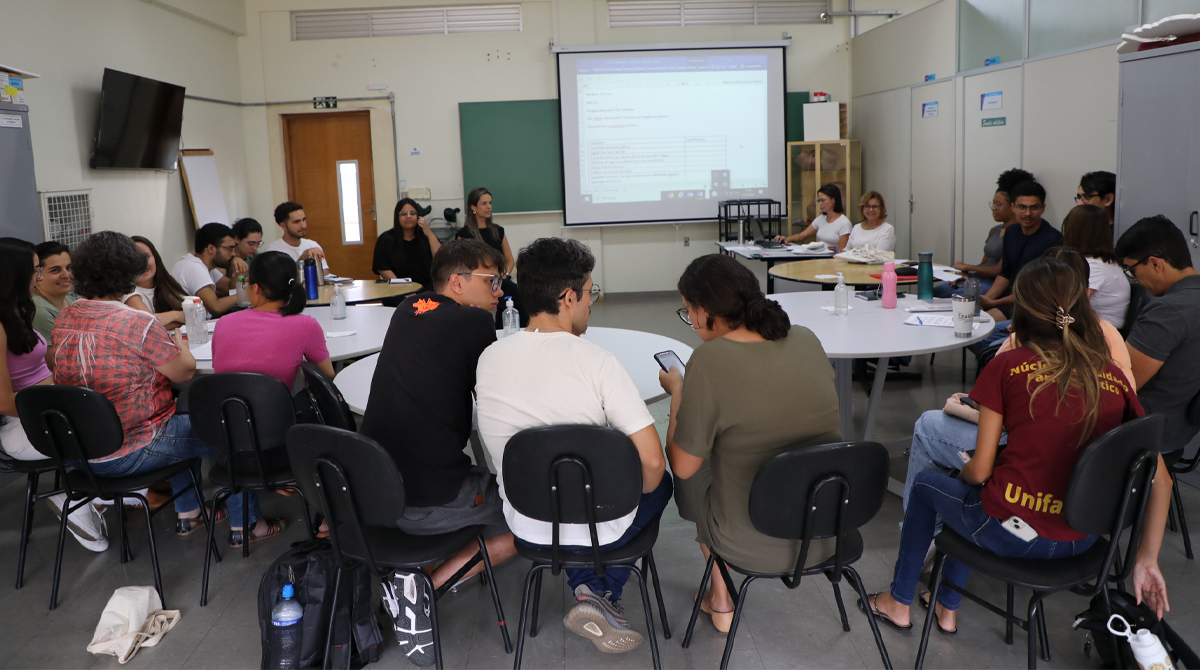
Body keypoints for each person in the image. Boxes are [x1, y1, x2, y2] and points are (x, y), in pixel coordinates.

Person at [865, 256, 1169, 635]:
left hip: (1016, 537)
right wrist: (1146, 558)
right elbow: (1162, 479)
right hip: (1086, 540)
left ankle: (899, 602)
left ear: (1022, 308)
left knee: (937, 484)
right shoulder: (1109, 375)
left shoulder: (1007, 368)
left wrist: (965, 468)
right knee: (971, 493)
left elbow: (980, 470)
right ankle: (946, 607)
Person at [476, 237, 668, 654]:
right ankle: (600, 590)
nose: (591, 303)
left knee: (565, 497)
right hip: (597, 523)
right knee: (664, 482)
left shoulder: (489, 357)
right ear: (567, 297)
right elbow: (652, 462)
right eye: (589, 293)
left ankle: (586, 587)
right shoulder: (597, 361)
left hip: (526, 519)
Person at [53, 232, 283, 546]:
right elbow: (184, 371)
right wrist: (178, 343)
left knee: (180, 416)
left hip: (77, 451)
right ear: (128, 273)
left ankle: (189, 514)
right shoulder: (136, 322)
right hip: (128, 449)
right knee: (229, 430)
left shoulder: (67, 315)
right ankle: (247, 525)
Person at [659, 254, 841, 633]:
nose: (690, 321)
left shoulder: (708, 361)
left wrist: (679, 393)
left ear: (707, 311)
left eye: (688, 311)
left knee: (693, 470)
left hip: (749, 541)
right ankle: (719, 590)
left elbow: (684, 465)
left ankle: (721, 590)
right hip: (824, 529)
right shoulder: (807, 339)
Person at [361, 239, 516, 666]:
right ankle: (423, 585)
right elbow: (496, 405)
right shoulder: (472, 323)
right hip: (426, 499)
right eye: (492, 281)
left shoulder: (407, 309)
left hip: (374, 489)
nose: (500, 291)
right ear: (457, 282)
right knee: (530, 515)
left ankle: (412, 580)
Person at [903, 248, 1134, 511]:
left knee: (929, 428)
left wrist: (971, 475)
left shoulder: (1011, 356)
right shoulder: (1109, 344)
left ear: (1025, 304)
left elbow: (987, 432)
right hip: (1090, 486)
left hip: (1024, 481)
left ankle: (934, 525)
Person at [0, 238, 108, 552]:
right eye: (36, 270)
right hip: (26, 426)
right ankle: (83, 496)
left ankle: (92, 498)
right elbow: (5, 401)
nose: (40, 277)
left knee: (123, 414)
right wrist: (64, 406)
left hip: (48, 411)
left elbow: (44, 365)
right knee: (113, 428)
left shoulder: (19, 311)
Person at [1118, 215, 1200, 463]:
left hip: (1143, 433)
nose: (1136, 280)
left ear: (1155, 263)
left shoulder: (1168, 312)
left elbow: (1121, 384)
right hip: (1180, 429)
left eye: (1132, 271)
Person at [212, 251, 334, 389]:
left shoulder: (223, 323)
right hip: (277, 409)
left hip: (224, 408)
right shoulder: (305, 325)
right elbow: (327, 375)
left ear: (256, 288)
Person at [937, 168, 1035, 298]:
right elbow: (984, 263)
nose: (993, 208)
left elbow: (999, 270)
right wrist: (967, 275)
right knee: (937, 292)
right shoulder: (995, 230)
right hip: (980, 279)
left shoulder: (1017, 233)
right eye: (993, 204)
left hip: (995, 284)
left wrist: (966, 267)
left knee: (958, 295)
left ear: (1013, 207)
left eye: (998, 205)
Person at [979, 180, 1062, 321]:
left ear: (1043, 208)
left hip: (1032, 304)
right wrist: (986, 300)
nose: (1027, 213)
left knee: (985, 323)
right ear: (1013, 207)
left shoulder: (1053, 240)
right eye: (1022, 207)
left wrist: (994, 303)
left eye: (1034, 208)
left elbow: (1037, 289)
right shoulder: (1011, 232)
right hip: (1008, 297)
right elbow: (1005, 273)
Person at [455, 187, 524, 327]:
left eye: (490, 203)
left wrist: (504, 275)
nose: (489, 207)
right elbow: (459, 264)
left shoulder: (498, 231)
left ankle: (509, 328)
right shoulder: (464, 233)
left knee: (512, 289)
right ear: (473, 207)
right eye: (484, 203)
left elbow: (509, 260)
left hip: (498, 280)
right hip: (476, 281)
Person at [1062, 204, 1130, 330]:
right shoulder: (1107, 261)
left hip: (1098, 335)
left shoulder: (1093, 266)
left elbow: (1068, 306)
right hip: (1095, 330)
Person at [170, 222, 240, 317]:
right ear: (211, 249)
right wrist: (247, 293)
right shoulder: (194, 267)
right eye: (230, 249)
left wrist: (239, 271)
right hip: (186, 327)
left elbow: (230, 288)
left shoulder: (206, 267)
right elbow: (216, 307)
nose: (233, 254)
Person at [373, 198, 441, 287]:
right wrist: (402, 288)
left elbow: (441, 260)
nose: (408, 216)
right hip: (396, 288)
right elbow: (382, 268)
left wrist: (429, 234)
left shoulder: (427, 236)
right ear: (397, 217)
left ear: (418, 216)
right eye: (403, 214)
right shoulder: (385, 239)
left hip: (426, 289)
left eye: (412, 213)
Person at [125, 236, 187, 329]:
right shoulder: (127, 291)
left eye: (146, 257)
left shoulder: (166, 284)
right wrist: (175, 315)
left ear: (155, 258)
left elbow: (194, 313)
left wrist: (168, 320)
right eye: (135, 260)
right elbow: (150, 323)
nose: (143, 264)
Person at [775, 183, 851, 249]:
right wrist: (787, 239)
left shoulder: (844, 223)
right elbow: (801, 236)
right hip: (819, 259)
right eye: (819, 201)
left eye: (823, 200)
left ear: (833, 200)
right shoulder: (820, 219)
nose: (820, 204)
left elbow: (842, 252)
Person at [30, 241, 76, 343]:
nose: (66, 275)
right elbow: (52, 358)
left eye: (68, 268)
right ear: (38, 274)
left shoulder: (69, 300)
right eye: (55, 270)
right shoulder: (40, 311)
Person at [263, 201, 327, 268]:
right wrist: (302, 259)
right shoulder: (273, 251)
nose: (303, 226)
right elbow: (281, 278)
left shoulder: (313, 245)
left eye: (304, 220)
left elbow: (325, 274)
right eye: (297, 222)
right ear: (283, 226)